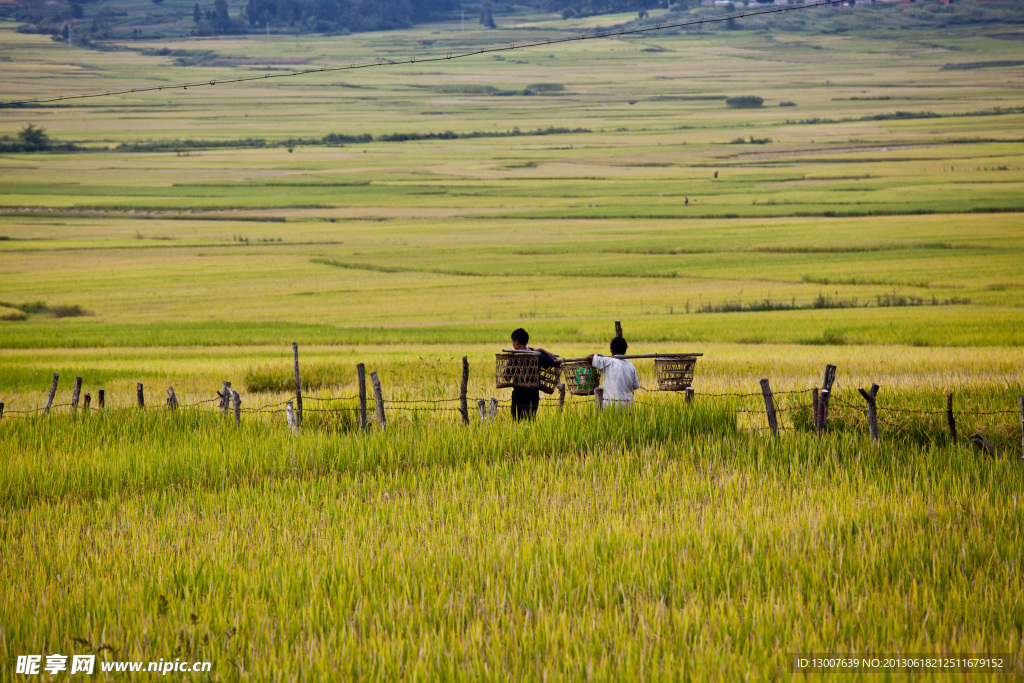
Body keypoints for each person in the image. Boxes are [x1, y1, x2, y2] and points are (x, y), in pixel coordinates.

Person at [508, 328, 557, 421]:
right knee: (531, 421)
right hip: (533, 394)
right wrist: (542, 350)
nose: (512, 344)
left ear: (517, 343)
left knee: (516, 423)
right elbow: (555, 360)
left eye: (512, 342)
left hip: (518, 395)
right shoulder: (536, 356)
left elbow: (506, 378)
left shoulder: (513, 358)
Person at [586, 336, 640, 409]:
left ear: (611, 350)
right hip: (628, 406)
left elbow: (588, 357)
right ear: (625, 350)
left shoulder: (607, 361)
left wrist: (598, 355)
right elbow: (635, 386)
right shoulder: (631, 366)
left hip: (610, 405)